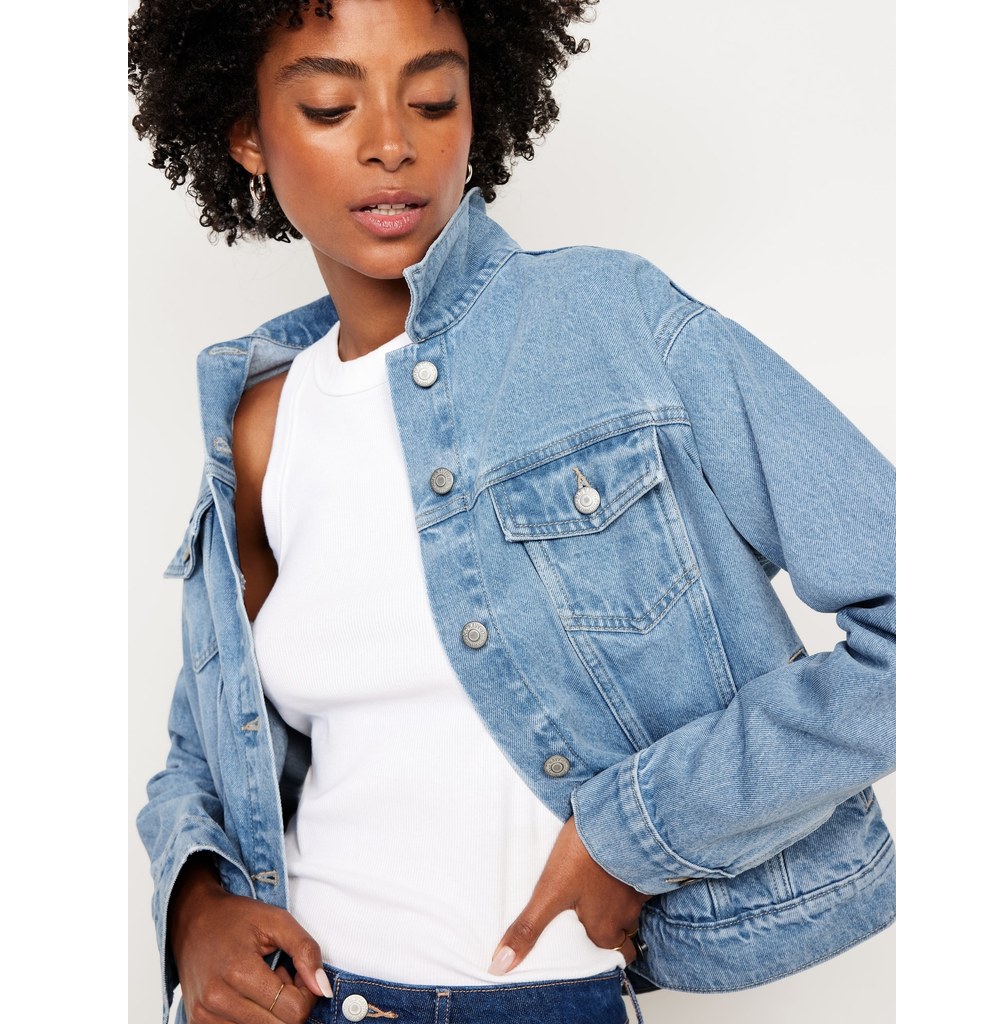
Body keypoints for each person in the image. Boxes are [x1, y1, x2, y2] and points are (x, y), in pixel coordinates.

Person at [130, 2, 896, 1023]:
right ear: (246, 137)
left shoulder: (616, 325)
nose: (391, 143)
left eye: (433, 98)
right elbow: (207, 744)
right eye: (328, 106)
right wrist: (194, 906)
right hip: (297, 1001)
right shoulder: (262, 427)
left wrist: (639, 828)